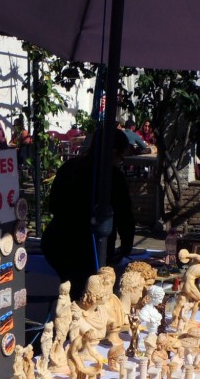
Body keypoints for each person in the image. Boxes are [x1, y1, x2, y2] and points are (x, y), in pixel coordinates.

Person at [41, 128, 135, 301]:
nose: (120, 162)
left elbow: (53, 205)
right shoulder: (111, 176)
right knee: (87, 298)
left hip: (56, 243)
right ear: (113, 152)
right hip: (87, 248)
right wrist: (126, 247)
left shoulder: (69, 167)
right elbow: (125, 217)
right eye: (120, 158)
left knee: (73, 293)